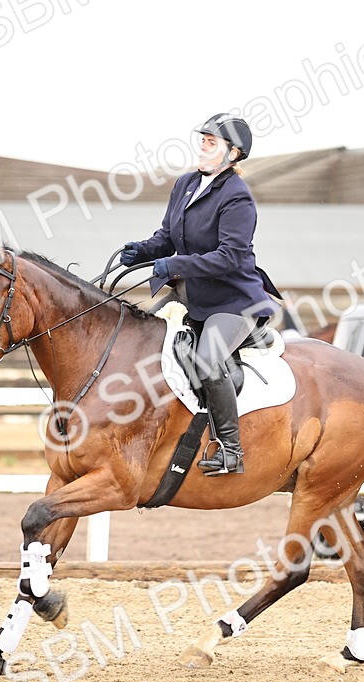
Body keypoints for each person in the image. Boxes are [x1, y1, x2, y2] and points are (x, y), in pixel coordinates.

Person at [120, 113, 280, 476]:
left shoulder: (237, 198)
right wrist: (142, 252)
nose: (203, 145)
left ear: (233, 153)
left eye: (212, 141)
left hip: (234, 302)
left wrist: (174, 266)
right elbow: (167, 237)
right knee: (139, 338)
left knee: (208, 360)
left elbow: (229, 257)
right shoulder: (186, 184)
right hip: (191, 299)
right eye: (203, 139)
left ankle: (231, 450)